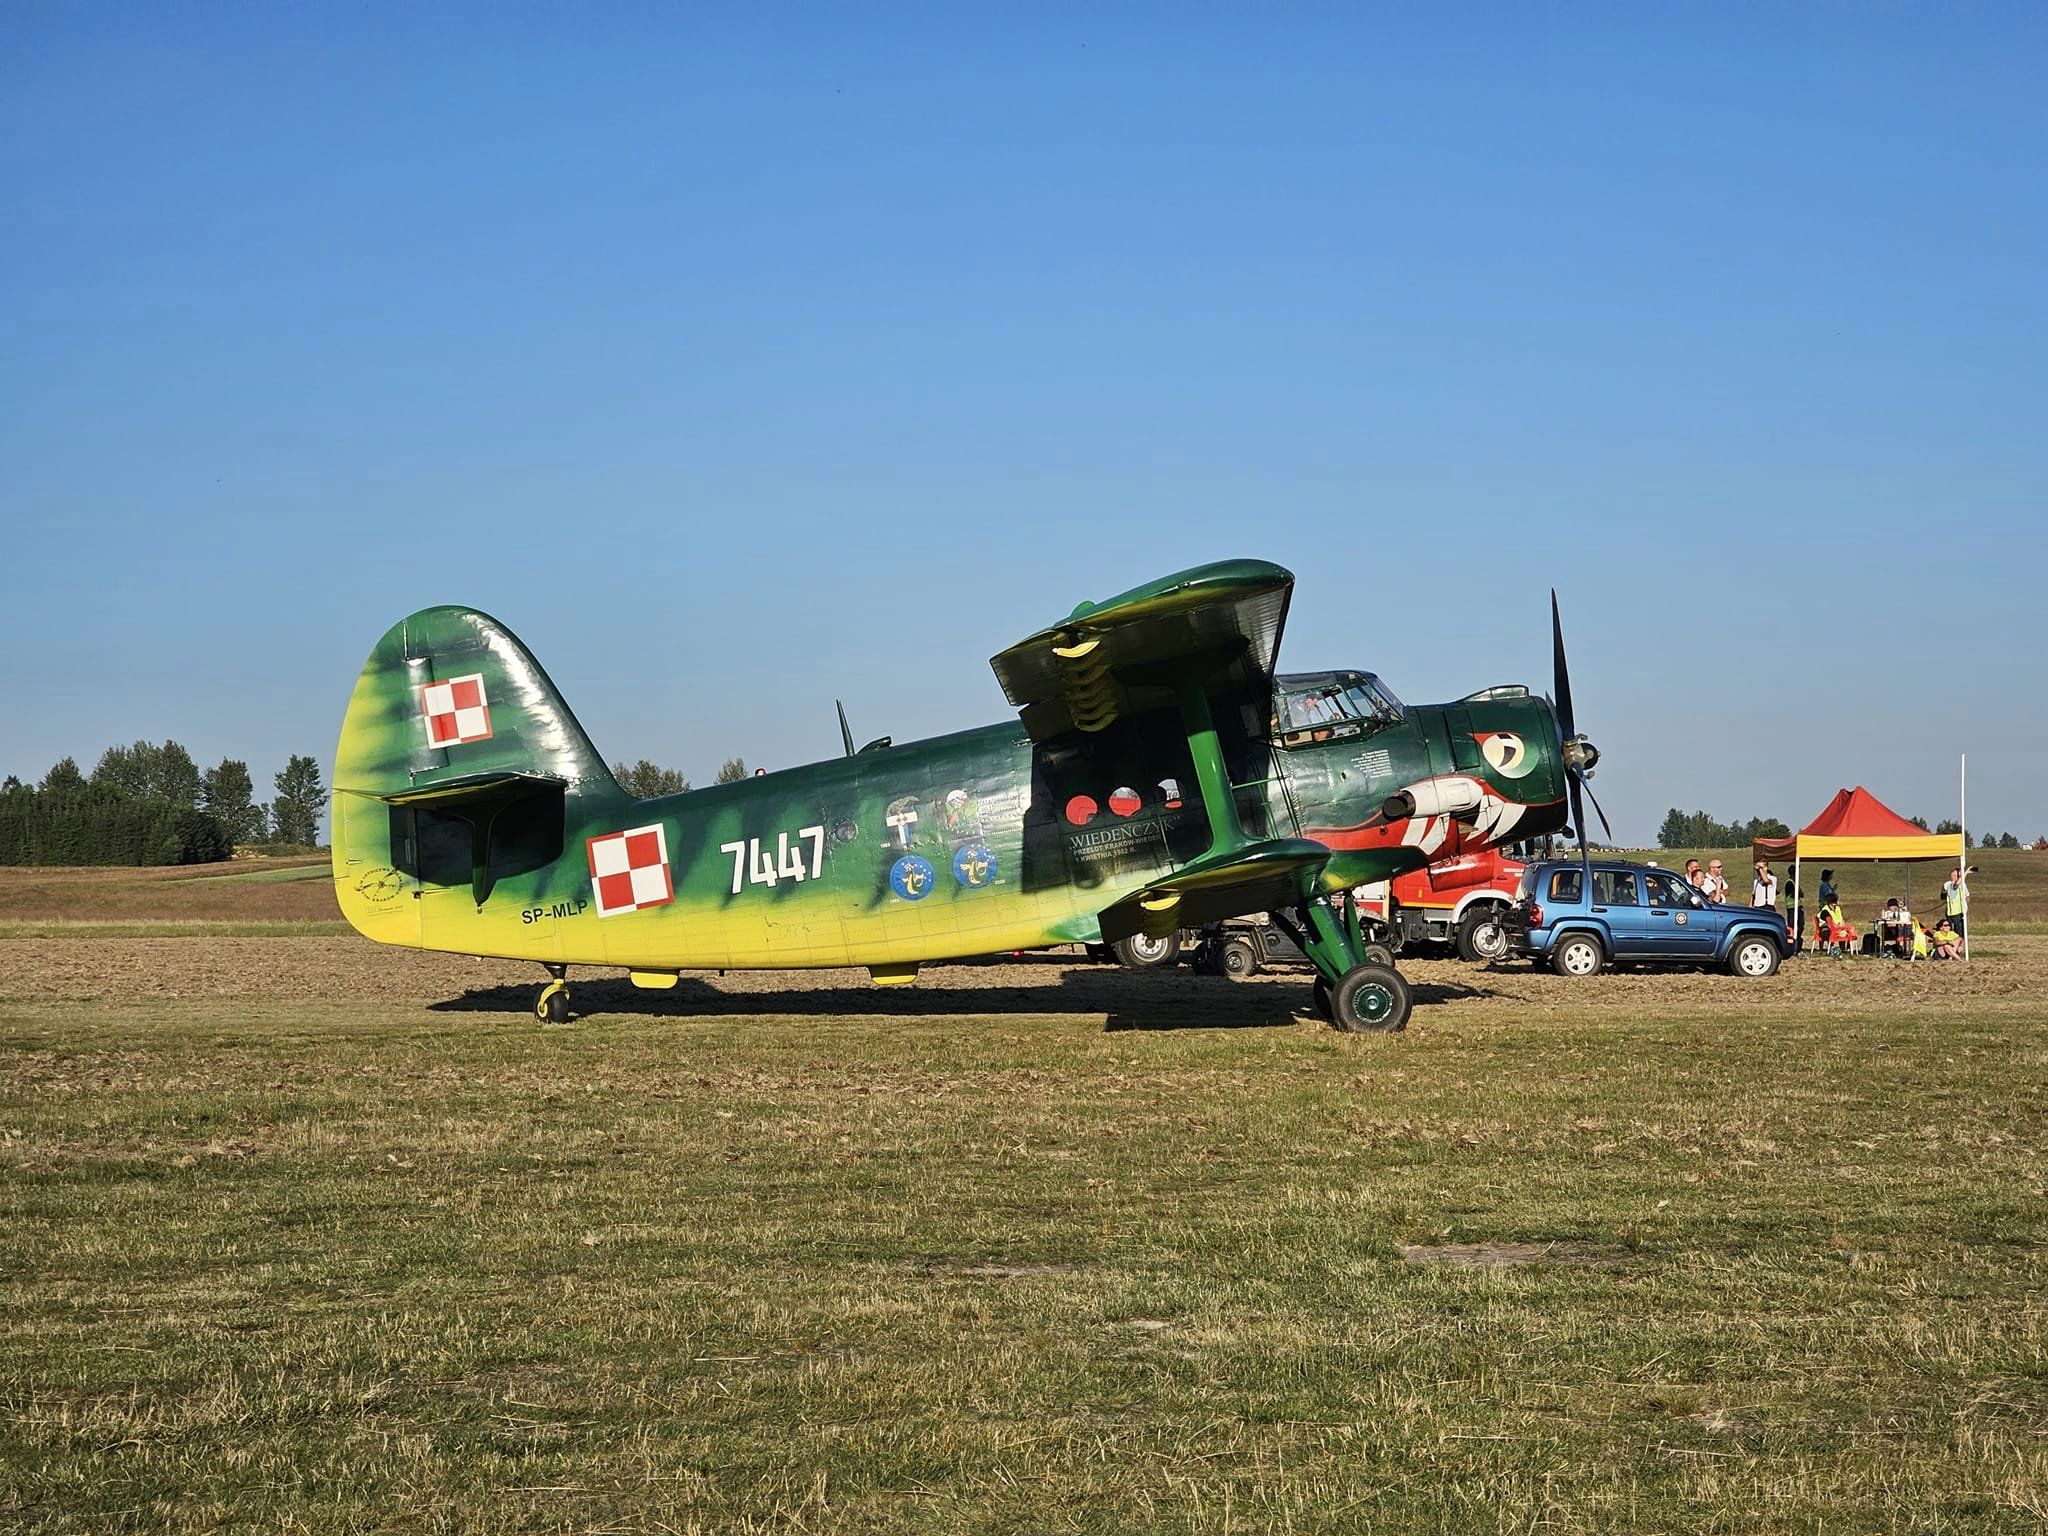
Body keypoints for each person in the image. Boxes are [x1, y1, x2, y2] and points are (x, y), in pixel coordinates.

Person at [1942, 866, 1970, 944]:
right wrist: (1966, 872)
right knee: (1952, 932)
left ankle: (1960, 948)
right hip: (1951, 912)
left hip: (1960, 912)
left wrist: (1966, 906)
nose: (1953, 877)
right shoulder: (1948, 884)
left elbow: (1967, 895)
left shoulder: (1963, 885)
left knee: (1960, 932)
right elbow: (1954, 887)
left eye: (1955, 875)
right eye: (1952, 875)